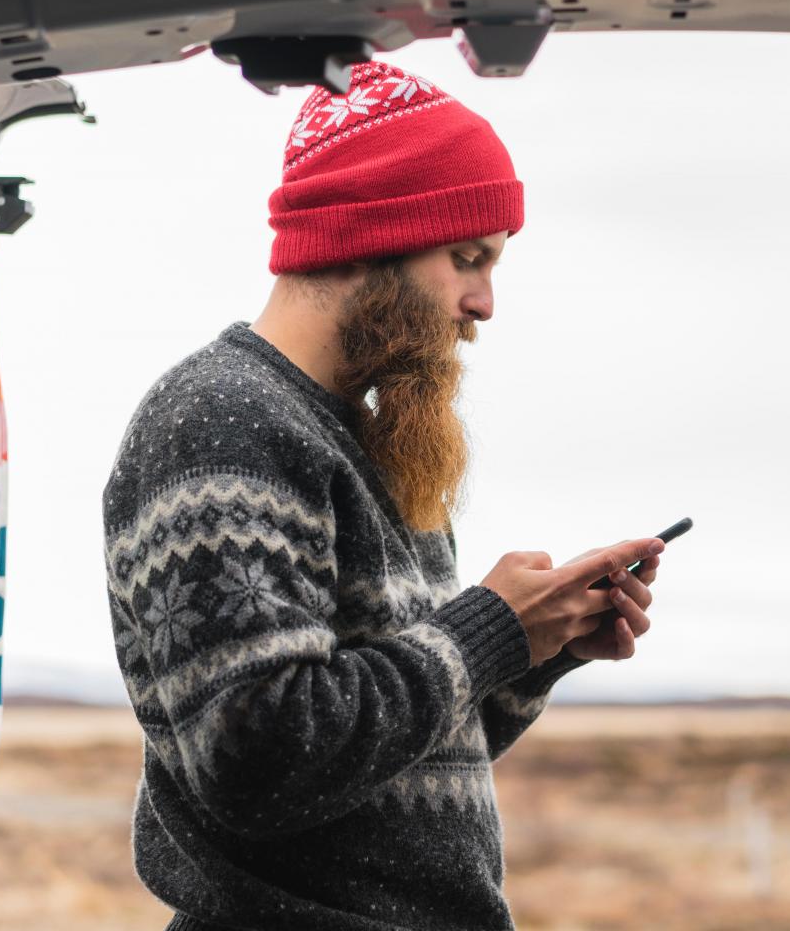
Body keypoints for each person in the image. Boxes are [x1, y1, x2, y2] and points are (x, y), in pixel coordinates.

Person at [101, 59, 664, 931]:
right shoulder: (222, 424)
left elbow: (385, 761)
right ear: (367, 237)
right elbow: (259, 760)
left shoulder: (372, 438)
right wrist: (484, 632)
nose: (484, 303)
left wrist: (534, 649)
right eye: (467, 258)